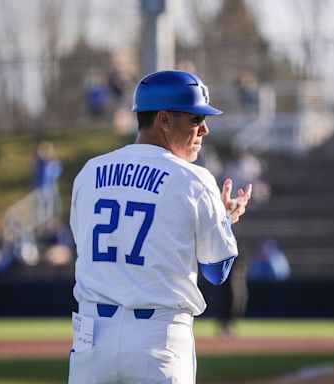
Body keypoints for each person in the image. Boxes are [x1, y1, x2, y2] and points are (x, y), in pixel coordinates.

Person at [68, 70, 252, 383]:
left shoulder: (89, 172)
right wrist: (221, 220)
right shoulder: (194, 179)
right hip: (158, 339)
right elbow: (216, 271)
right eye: (195, 119)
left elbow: (91, 245)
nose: (204, 130)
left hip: (92, 337)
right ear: (164, 120)